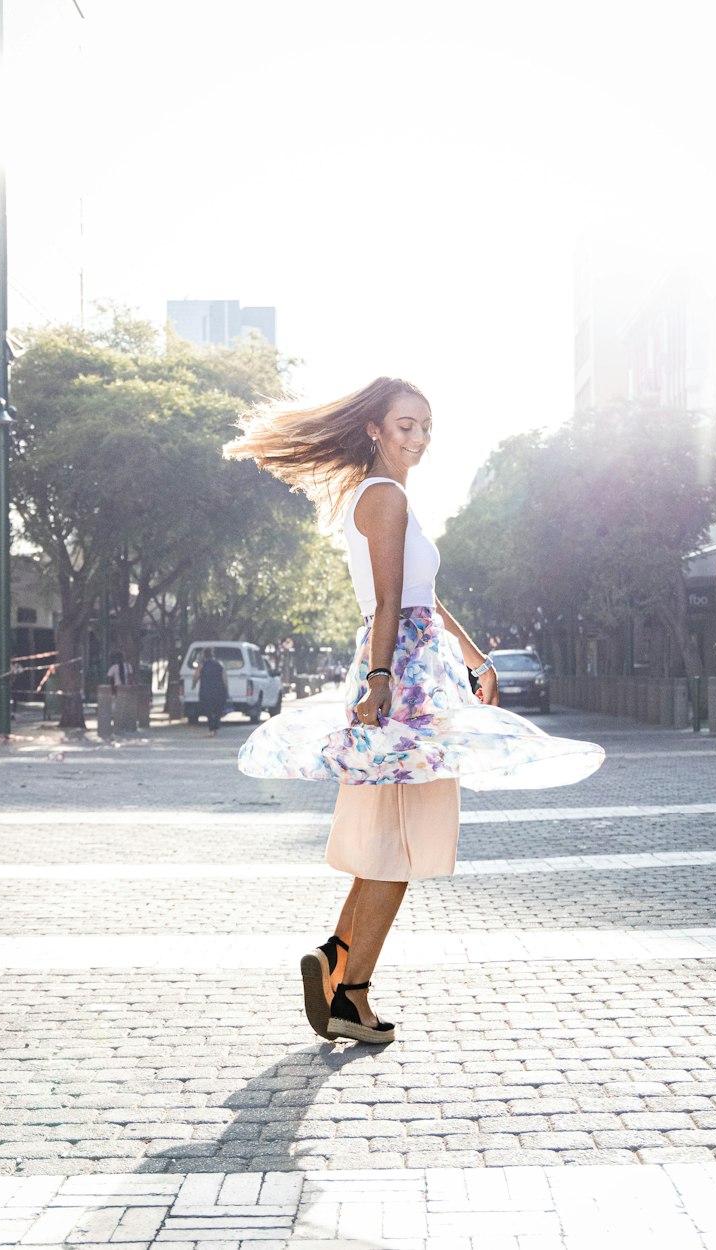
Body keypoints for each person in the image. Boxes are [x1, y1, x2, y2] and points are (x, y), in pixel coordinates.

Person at [225, 377, 604, 1045]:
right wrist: (380, 679)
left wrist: (477, 658)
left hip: (414, 674)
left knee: (391, 842)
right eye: (405, 425)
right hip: (404, 683)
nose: (419, 438)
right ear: (373, 429)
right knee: (402, 848)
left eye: (426, 427)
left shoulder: (383, 498)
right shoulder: (386, 498)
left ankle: (337, 960)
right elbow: (391, 603)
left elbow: (423, 597)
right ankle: (351, 993)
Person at [193, 646, 227, 735]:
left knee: (208, 711)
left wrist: (194, 684)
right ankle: (215, 727)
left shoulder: (201, 666)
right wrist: (226, 690)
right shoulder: (219, 665)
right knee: (218, 710)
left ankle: (212, 729)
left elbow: (196, 676)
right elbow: (224, 678)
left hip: (206, 692)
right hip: (219, 691)